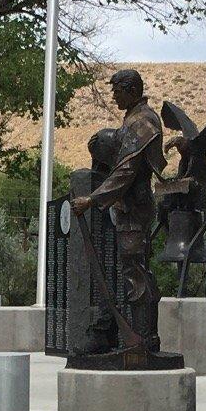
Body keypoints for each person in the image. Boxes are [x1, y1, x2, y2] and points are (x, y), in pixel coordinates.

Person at [70, 69, 165, 356]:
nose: (113, 96)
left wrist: (93, 199)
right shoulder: (132, 120)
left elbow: (127, 169)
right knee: (129, 272)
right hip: (124, 209)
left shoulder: (144, 121)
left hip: (134, 210)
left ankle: (144, 342)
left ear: (132, 90)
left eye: (117, 91)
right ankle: (115, 335)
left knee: (136, 275)